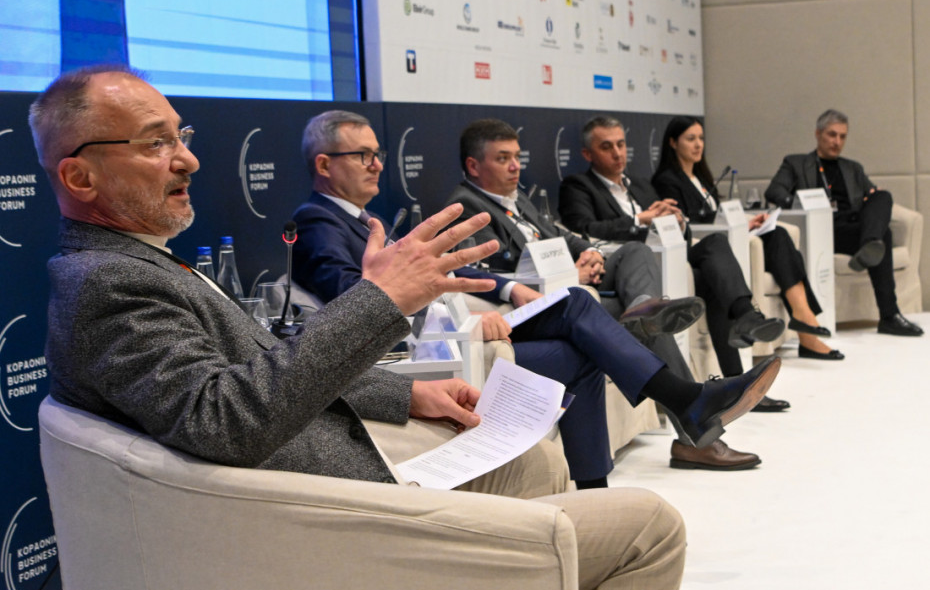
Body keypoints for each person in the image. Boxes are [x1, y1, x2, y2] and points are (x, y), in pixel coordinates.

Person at [30, 65, 693, 590]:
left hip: (344, 471)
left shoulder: (137, 262)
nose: (189, 159)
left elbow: (255, 366)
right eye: (156, 144)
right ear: (79, 176)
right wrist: (382, 298)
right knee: (650, 528)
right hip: (327, 520)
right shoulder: (106, 283)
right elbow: (224, 419)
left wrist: (404, 395)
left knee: (535, 461)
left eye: (182, 136)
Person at [293, 110, 769, 474]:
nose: (377, 164)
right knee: (580, 312)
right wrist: (459, 317)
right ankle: (685, 401)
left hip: (459, 329)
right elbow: (353, 302)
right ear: (324, 164)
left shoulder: (367, 220)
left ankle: (599, 485)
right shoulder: (317, 222)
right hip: (428, 348)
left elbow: (441, 269)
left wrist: (510, 286)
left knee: (580, 329)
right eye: (363, 156)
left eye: (378, 153)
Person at [441, 117, 781, 469]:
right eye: (503, 158)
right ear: (474, 166)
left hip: (574, 290)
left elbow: (562, 237)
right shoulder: (465, 206)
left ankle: (643, 310)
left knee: (636, 255)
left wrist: (590, 252)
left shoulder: (517, 199)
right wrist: (541, 280)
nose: (515, 166)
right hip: (543, 305)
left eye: (516, 157)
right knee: (642, 323)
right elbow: (465, 269)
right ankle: (692, 430)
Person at [559, 115, 794, 406]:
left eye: (621, 144)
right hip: (632, 266)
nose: (617, 153)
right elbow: (584, 229)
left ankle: (745, 319)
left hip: (669, 254)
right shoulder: (577, 186)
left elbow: (672, 231)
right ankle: (729, 383)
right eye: (607, 147)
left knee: (715, 247)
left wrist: (678, 223)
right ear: (587, 154)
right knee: (708, 278)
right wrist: (639, 220)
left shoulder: (641, 186)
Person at [651, 116, 844, 361]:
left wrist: (746, 222)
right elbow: (685, 221)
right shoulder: (666, 180)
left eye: (701, 138)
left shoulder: (702, 178)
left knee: (778, 234)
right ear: (673, 142)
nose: (698, 144)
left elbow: (714, 214)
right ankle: (805, 324)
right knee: (778, 244)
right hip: (709, 245)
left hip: (727, 235)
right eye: (691, 139)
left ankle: (803, 316)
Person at [765, 109, 923, 337]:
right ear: (818, 134)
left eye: (842, 136)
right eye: (832, 135)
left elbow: (871, 197)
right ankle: (888, 311)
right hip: (822, 230)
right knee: (884, 235)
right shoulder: (796, 163)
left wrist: (873, 199)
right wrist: (800, 203)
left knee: (882, 197)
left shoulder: (853, 168)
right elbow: (774, 191)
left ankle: (870, 246)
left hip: (852, 228)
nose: (837, 142)